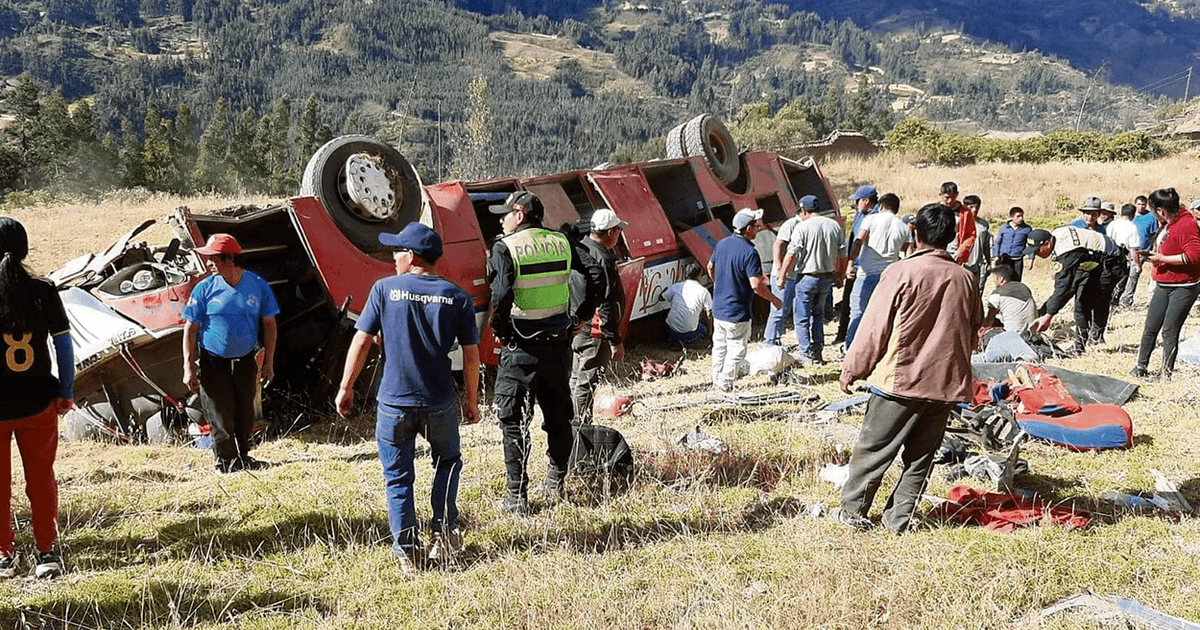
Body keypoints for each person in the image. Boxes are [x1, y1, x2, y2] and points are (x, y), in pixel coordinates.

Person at [335, 223, 479, 571]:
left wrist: (345, 386)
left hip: (394, 403)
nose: (393, 259)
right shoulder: (457, 296)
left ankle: (409, 554)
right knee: (448, 463)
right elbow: (472, 354)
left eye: (396, 252)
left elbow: (362, 340)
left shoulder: (384, 290)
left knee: (399, 477)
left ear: (411, 256)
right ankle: (444, 536)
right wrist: (471, 399)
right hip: (439, 399)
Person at [832, 203, 982, 534]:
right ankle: (898, 519)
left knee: (873, 452)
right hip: (944, 385)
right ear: (951, 236)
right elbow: (974, 332)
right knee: (920, 459)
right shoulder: (966, 278)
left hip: (899, 380)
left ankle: (852, 514)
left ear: (915, 233)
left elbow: (873, 329)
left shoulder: (901, 272)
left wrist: (852, 369)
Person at [486, 191, 592, 512]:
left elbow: (502, 294)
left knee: (513, 420)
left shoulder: (506, 248)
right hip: (558, 347)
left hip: (520, 347)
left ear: (518, 214)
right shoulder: (561, 242)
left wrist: (499, 329)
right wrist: (582, 315)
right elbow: (594, 272)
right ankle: (555, 483)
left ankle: (517, 497)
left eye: (505, 214)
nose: (501, 219)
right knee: (559, 417)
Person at [0, 217, 71, 580]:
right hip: (39, 403)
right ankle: (47, 551)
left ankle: (3, 555)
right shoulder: (44, 289)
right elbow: (63, 345)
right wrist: (67, 391)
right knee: (41, 479)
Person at [182, 233, 278, 474]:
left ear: (228, 258)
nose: (208, 263)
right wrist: (188, 366)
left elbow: (270, 325)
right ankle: (224, 462)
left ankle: (242, 457)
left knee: (245, 413)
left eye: (213, 258)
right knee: (219, 415)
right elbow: (190, 330)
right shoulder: (204, 288)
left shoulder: (257, 285)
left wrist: (268, 363)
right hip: (213, 361)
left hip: (246, 361)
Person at [709, 208, 782, 391]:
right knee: (736, 349)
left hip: (718, 308)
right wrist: (773, 299)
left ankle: (716, 378)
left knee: (719, 346)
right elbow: (756, 285)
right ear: (747, 229)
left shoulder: (722, 244)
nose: (758, 229)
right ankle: (725, 384)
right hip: (737, 311)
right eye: (756, 227)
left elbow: (710, 266)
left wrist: (720, 284)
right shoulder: (750, 252)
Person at [1130, 188, 1200, 381]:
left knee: (1170, 329)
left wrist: (1163, 258)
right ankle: (1141, 365)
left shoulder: (1186, 224)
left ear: (1161, 211)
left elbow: (1194, 255)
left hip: (1183, 287)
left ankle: (1165, 373)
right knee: (1151, 326)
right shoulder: (1168, 224)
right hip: (1163, 282)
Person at [1027, 224, 1125, 353]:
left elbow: (1064, 288)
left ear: (1047, 244)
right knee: (1085, 294)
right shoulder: (1056, 234)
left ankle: (1082, 344)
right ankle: (1095, 338)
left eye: (1037, 251)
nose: (1037, 255)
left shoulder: (1066, 251)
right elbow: (1066, 287)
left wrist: (1049, 315)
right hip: (1094, 261)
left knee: (1084, 302)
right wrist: (1046, 310)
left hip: (1112, 263)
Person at [570, 208, 627, 425]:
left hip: (578, 326)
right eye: (619, 230)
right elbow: (607, 303)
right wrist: (614, 339)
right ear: (611, 232)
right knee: (586, 381)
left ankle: (571, 423)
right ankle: (581, 427)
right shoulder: (603, 259)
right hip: (595, 331)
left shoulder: (581, 249)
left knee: (576, 378)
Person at [777, 197, 845, 363]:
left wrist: (781, 276)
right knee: (818, 315)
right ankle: (818, 352)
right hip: (826, 278)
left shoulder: (802, 227)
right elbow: (843, 255)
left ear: (804, 211)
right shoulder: (834, 225)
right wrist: (840, 277)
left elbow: (791, 253)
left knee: (801, 318)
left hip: (806, 278)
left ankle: (806, 355)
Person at [845, 192, 911, 350]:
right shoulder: (903, 227)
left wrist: (850, 263)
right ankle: (879, 350)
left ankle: (851, 348)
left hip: (866, 274)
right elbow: (909, 253)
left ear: (881, 206)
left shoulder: (870, 219)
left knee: (858, 313)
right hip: (889, 277)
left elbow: (858, 241)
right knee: (884, 317)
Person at [834, 185, 878, 345]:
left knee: (859, 304)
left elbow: (859, 243)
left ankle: (854, 338)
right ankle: (842, 334)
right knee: (847, 301)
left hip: (865, 267)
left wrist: (850, 264)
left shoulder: (874, 217)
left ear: (866, 201)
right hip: (855, 265)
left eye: (858, 200)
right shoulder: (860, 214)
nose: (856, 203)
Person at [764, 211, 803, 346]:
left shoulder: (803, 224)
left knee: (784, 310)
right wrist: (780, 270)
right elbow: (778, 245)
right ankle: (769, 342)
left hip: (793, 273)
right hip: (784, 275)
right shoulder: (791, 224)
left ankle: (776, 339)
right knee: (778, 309)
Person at [661, 262, 712, 344]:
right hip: (689, 333)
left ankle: (674, 340)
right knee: (703, 329)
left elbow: (661, 297)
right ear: (698, 277)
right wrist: (709, 334)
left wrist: (664, 292)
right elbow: (709, 314)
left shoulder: (676, 286)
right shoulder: (704, 292)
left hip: (671, 330)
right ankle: (688, 341)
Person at [1106, 203, 1142, 307]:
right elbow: (1134, 249)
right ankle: (1115, 301)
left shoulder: (1112, 224)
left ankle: (1109, 300)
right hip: (1122, 255)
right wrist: (1137, 264)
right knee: (1122, 278)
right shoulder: (1132, 227)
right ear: (1133, 215)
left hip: (1109, 254)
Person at [983, 264, 1038, 332]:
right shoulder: (1024, 287)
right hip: (1033, 332)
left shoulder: (997, 294)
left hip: (1012, 335)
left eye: (994, 278)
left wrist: (982, 330)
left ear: (1001, 279)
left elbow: (990, 319)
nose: (993, 281)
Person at [1128, 194, 1161, 305]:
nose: (1141, 207)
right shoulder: (1131, 216)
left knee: (1139, 274)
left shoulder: (1151, 217)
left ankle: (1129, 299)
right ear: (1135, 204)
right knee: (1128, 274)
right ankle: (1122, 298)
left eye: (1143, 204)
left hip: (1144, 250)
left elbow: (1154, 234)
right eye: (1139, 204)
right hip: (1130, 250)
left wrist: (1151, 249)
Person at [962, 195, 992, 296]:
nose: (974, 210)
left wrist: (989, 261)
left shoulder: (983, 224)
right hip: (963, 263)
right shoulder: (959, 223)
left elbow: (986, 244)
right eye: (971, 207)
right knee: (963, 291)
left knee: (978, 292)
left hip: (979, 263)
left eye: (977, 207)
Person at [941, 182, 976, 266]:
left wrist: (962, 249)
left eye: (953, 197)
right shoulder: (935, 210)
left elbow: (972, 234)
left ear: (957, 195)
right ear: (941, 195)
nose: (949, 201)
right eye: (946, 197)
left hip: (955, 252)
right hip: (938, 250)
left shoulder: (966, 212)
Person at [993, 207, 1032, 281]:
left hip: (1018, 259)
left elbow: (1031, 244)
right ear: (1012, 216)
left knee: (1016, 280)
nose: (1020, 218)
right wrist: (996, 256)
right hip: (1004, 258)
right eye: (1018, 216)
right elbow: (998, 242)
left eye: (1022, 216)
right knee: (1003, 280)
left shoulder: (1027, 229)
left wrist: (1031, 258)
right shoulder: (1004, 228)